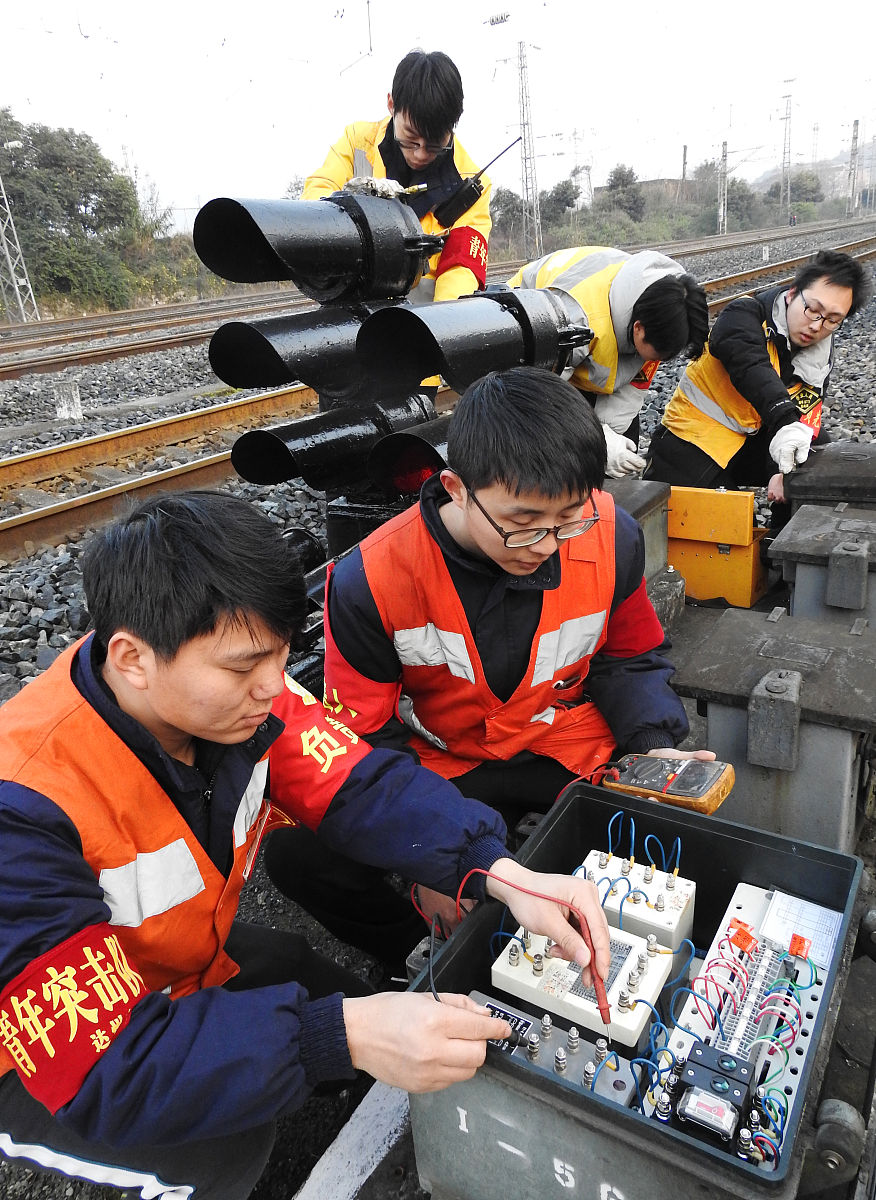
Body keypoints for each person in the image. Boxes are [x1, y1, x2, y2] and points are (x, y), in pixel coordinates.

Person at [0, 491, 611, 1200]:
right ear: (133, 658)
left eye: (282, 653)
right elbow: (105, 1068)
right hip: (42, 1058)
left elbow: (360, 786)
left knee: (311, 985)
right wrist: (339, 1035)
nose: (274, 687)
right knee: (219, 1154)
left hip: (173, 965)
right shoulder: (22, 811)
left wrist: (500, 873)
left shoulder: (239, 703)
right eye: (242, 667)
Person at [265, 367, 713, 961]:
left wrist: (652, 745)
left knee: (658, 842)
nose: (549, 545)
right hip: (441, 766)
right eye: (523, 524)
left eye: (568, 518)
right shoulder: (370, 578)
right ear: (455, 488)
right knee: (300, 859)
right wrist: (424, 854)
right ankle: (421, 961)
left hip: (561, 745)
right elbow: (366, 734)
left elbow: (630, 658)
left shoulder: (611, 534)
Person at [644, 249, 871, 519]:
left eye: (832, 320)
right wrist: (785, 421)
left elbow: (806, 410)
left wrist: (783, 475)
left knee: (816, 456)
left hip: (748, 444)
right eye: (813, 310)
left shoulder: (820, 352)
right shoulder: (743, 314)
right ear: (792, 293)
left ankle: (780, 545)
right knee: (733, 524)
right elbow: (752, 368)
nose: (817, 326)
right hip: (691, 441)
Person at [302, 49, 491, 303]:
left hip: (427, 317)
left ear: (453, 125)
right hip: (353, 305)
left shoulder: (473, 186)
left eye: (435, 143)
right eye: (411, 138)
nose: (421, 154)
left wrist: (443, 326)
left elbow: (461, 269)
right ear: (392, 105)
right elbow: (318, 196)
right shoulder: (357, 144)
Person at [507, 247, 708, 476]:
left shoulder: (663, 315)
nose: (657, 361)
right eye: (655, 355)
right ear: (638, 328)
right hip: (528, 340)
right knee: (559, 461)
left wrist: (610, 436)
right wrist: (595, 438)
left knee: (621, 446)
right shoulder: (577, 319)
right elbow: (541, 396)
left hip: (581, 359)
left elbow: (633, 387)